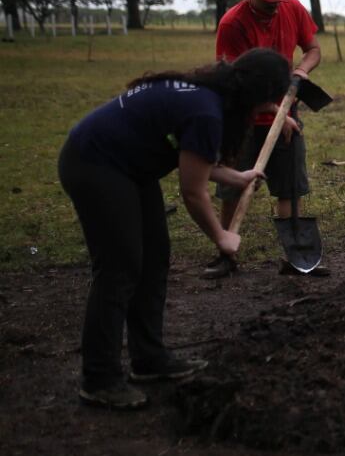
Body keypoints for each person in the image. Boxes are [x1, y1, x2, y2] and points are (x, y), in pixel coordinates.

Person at [59, 49, 291, 409]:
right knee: (120, 268)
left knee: (153, 260)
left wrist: (238, 175)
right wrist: (221, 236)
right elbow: (192, 192)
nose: (267, 110)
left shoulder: (209, 96)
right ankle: (100, 378)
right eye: (268, 101)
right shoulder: (205, 110)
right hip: (95, 163)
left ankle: (149, 359)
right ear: (256, 94)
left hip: (130, 168)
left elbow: (194, 162)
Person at [211, 0, 323, 277]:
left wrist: (301, 72)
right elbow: (235, 84)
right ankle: (225, 253)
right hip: (243, 116)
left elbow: (313, 48)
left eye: (279, 0)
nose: (274, 7)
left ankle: (294, 255)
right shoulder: (233, 24)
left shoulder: (293, 8)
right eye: (267, 0)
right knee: (233, 188)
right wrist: (276, 112)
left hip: (285, 109)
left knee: (289, 185)